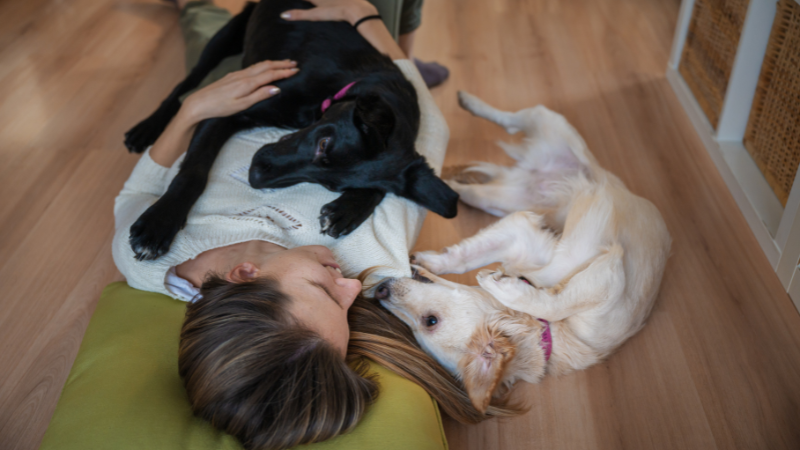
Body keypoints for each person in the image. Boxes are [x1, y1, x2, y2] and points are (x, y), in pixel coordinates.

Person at [113, 0, 517, 448]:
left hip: (227, 103)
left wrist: (192, 110)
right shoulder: (369, 255)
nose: (350, 288)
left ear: (245, 273)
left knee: (211, 34)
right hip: (343, 79)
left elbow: (136, 196)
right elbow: (426, 131)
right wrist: (363, 18)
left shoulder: (150, 262)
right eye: (347, 307)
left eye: (326, 291)